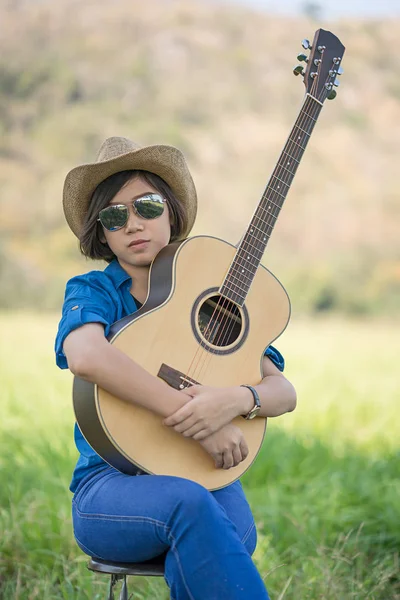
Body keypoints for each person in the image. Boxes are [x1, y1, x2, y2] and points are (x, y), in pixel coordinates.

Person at [55, 136, 297, 600]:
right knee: (193, 510)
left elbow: (283, 391)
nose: (133, 223)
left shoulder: (209, 300)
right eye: (113, 215)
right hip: (110, 485)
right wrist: (197, 424)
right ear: (100, 233)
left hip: (198, 474)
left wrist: (234, 400)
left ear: (171, 212)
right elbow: (86, 356)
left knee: (234, 534)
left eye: (146, 205)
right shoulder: (94, 291)